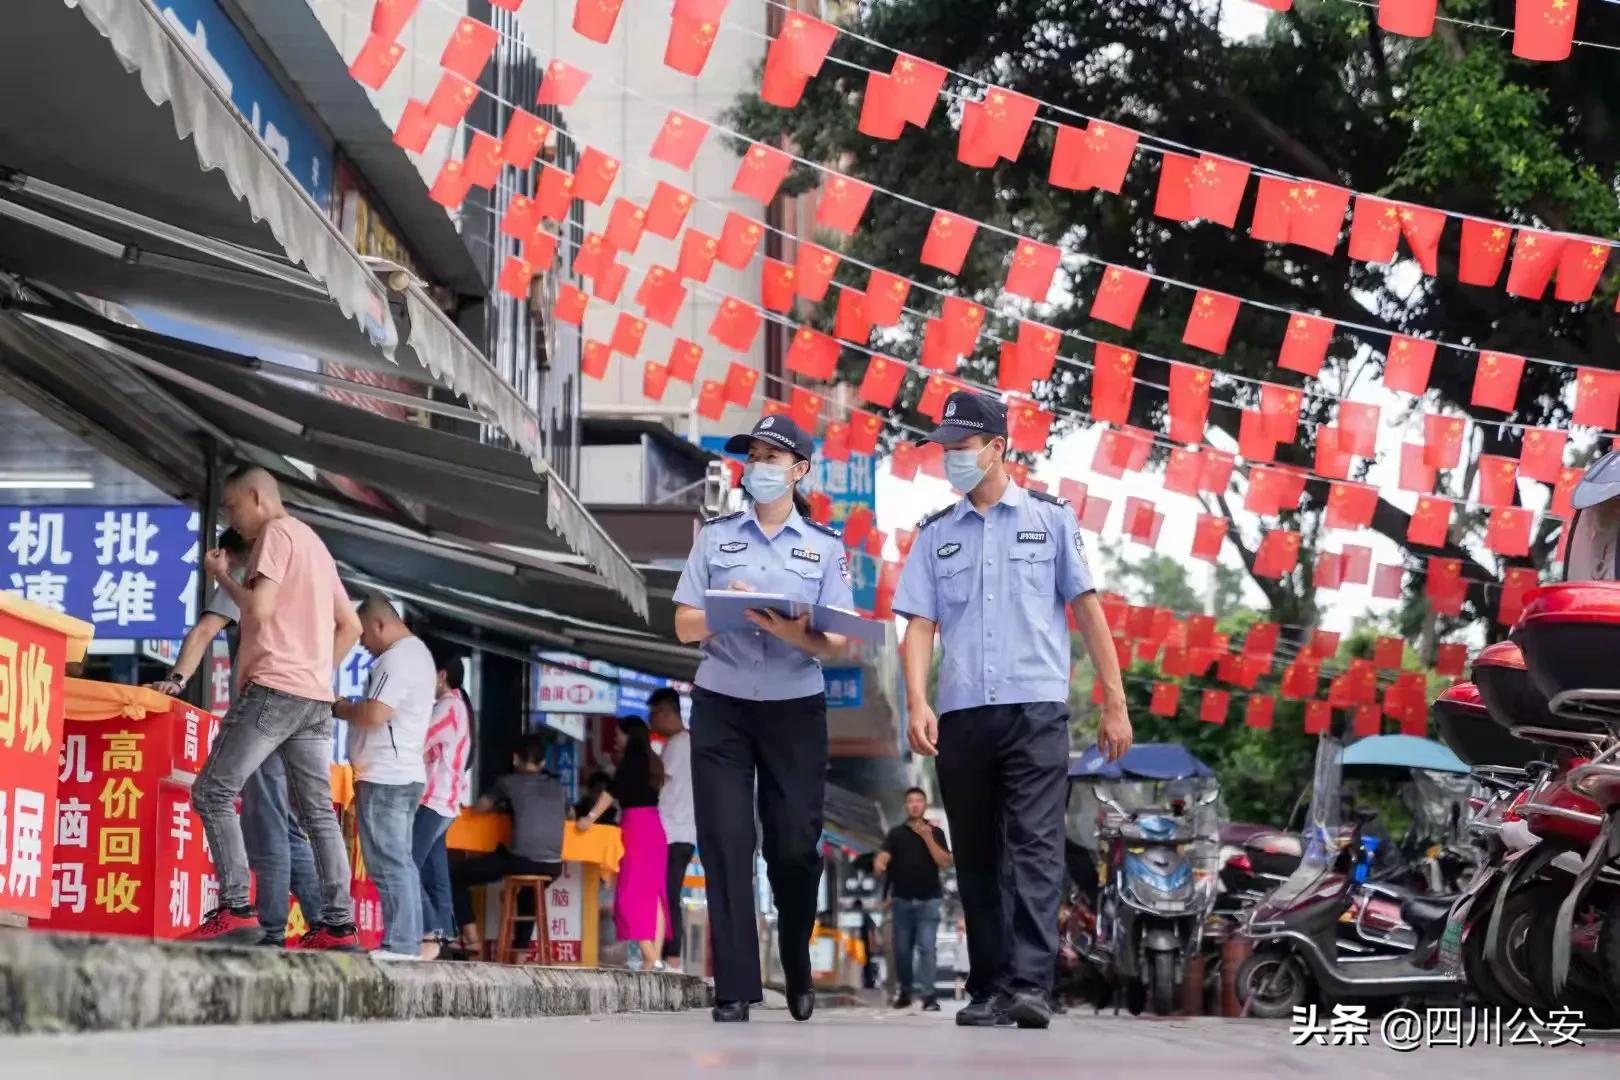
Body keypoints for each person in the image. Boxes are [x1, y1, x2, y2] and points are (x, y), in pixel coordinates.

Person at [894, 391, 1133, 1030]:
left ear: (997, 448)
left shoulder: (1051, 520)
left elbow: (1086, 608)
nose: (950, 458)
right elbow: (918, 625)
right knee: (976, 855)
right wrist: (917, 700)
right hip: (963, 714)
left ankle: (1029, 985)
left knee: (1034, 845)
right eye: (945, 449)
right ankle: (989, 987)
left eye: (962, 447)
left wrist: (1114, 700)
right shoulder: (935, 535)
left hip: (1036, 712)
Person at [671, 413, 853, 1024]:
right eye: (752, 457)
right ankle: (735, 986)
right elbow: (683, 624)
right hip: (721, 703)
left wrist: (792, 631)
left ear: (799, 470)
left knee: (794, 848)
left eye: (771, 458)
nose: (758, 468)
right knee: (726, 840)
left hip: (795, 708)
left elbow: (839, 641)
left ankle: (796, 958)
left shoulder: (825, 546)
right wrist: (730, 611)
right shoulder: (714, 537)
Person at [187, 467, 362, 950]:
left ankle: (235, 909)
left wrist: (223, 576)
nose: (231, 518)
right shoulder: (315, 544)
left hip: (273, 690)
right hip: (314, 699)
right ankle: (338, 925)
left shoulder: (275, 534)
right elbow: (351, 626)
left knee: (212, 792)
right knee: (317, 814)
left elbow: (258, 610)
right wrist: (315, 672)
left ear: (256, 496)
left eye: (233, 506)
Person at [149, 527, 323, 948]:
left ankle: (260, 925)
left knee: (239, 807)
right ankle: (326, 922)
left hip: (265, 704)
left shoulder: (248, 576)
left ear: (226, 553)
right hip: (305, 703)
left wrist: (177, 679)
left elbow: (204, 632)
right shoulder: (297, 581)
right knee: (287, 822)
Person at [332, 594, 436, 961]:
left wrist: (339, 707)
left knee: (389, 863)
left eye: (363, 635)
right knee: (399, 861)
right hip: (401, 773)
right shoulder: (417, 654)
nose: (361, 644)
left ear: (379, 624)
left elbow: (375, 713)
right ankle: (406, 942)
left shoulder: (397, 658)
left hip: (386, 777)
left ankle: (401, 945)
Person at [451, 738, 567, 955]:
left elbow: (479, 808)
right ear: (543, 762)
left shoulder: (508, 782)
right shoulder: (558, 787)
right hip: (553, 866)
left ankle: (472, 939)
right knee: (529, 893)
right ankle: (520, 955)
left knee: (454, 874)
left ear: (515, 759)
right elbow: (570, 814)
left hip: (520, 860)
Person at [579, 715, 668, 970]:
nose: (616, 737)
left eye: (618, 733)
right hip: (654, 828)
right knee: (654, 895)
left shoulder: (632, 759)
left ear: (629, 735)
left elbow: (611, 792)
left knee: (629, 895)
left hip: (636, 828)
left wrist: (590, 818)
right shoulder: (653, 760)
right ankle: (654, 958)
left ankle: (649, 955)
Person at [414, 648, 473, 959]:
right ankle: (443, 937)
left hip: (435, 799)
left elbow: (419, 740)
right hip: (443, 800)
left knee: (405, 863)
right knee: (435, 871)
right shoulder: (457, 705)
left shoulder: (449, 706)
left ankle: (431, 929)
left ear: (441, 675)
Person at [874, 787, 952, 1011]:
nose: (915, 804)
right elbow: (883, 856)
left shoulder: (936, 832)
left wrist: (927, 836)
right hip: (901, 900)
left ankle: (928, 995)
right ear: (905, 806)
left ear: (925, 805)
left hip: (929, 900)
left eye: (919, 800)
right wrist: (880, 862)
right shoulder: (896, 834)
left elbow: (945, 862)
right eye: (910, 801)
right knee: (901, 950)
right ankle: (906, 991)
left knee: (927, 948)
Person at [647, 687, 696, 970]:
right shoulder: (684, 743)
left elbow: (659, 781)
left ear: (668, 712)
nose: (651, 721)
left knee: (668, 896)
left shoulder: (679, 743)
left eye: (654, 714)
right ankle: (669, 956)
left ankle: (672, 958)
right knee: (668, 894)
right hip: (681, 832)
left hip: (674, 832)